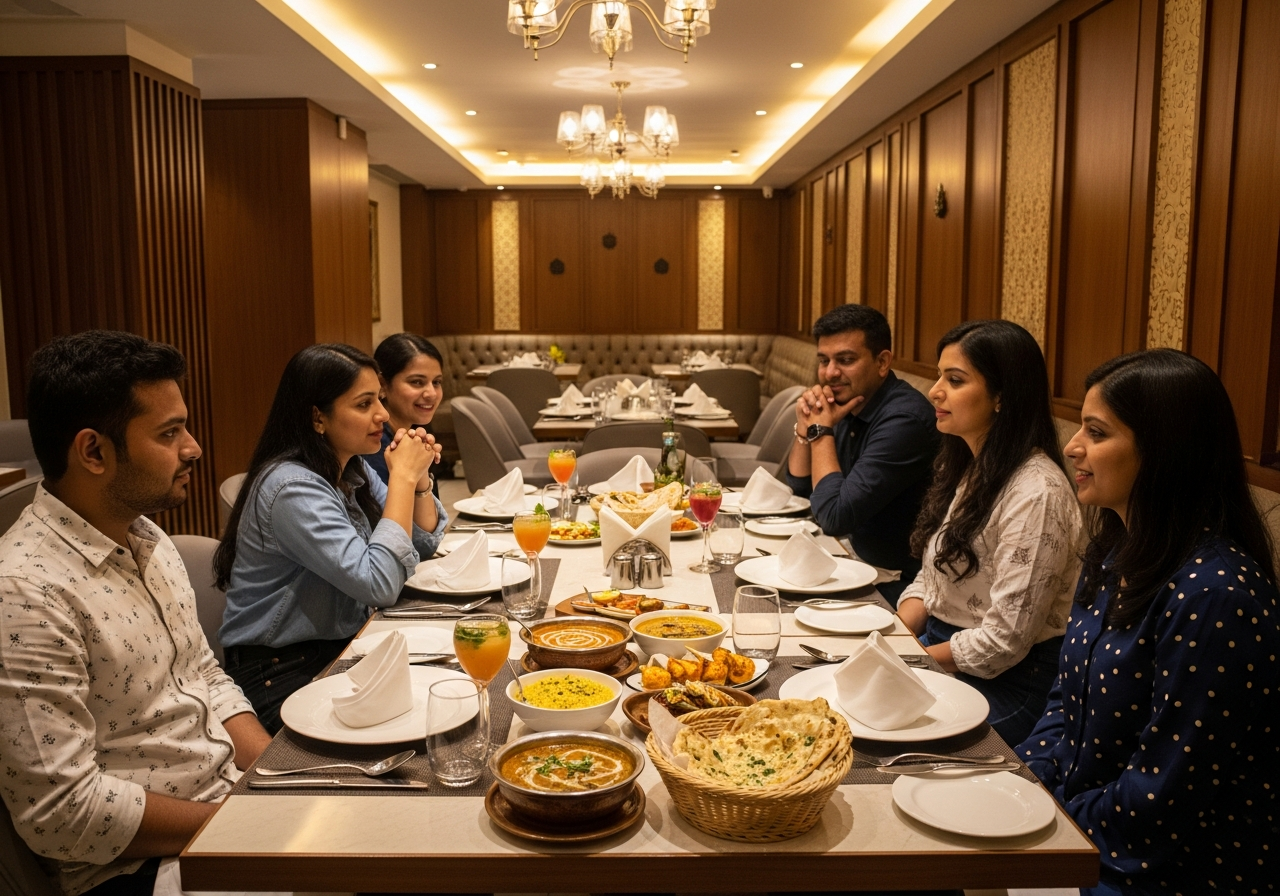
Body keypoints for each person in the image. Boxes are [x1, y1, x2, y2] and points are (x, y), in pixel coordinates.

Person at [0, 330, 272, 896]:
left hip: (228, 807)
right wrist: (243, 826)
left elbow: (203, 675)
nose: (193, 447)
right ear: (93, 452)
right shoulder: (25, 592)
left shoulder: (144, 536)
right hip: (140, 867)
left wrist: (274, 780)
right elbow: (64, 812)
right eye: (169, 433)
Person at [1017, 349, 1279, 896]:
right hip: (1083, 822)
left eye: (1097, 432)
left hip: (1165, 868)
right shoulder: (1114, 551)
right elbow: (1066, 698)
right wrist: (1022, 782)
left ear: (1164, 453)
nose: (1072, 446)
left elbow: (1161, 798)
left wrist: (1047, 817)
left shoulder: (1216, 595)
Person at [215, 343, 447, 733]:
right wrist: (402, 478)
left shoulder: (349, 466)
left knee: (445, 695)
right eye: (363, 404)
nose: (382, 415)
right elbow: (379, 583)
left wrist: (419, 482)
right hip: (282, 673)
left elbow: (423, 545)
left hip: (341, 648)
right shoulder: (292, 487)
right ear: (318, 417)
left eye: (379, 400)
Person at [896, 320, 1082, 746]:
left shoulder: (1037, 492)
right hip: (941, 649)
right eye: (939, 375)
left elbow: (1004, 642)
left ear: (1002, 397)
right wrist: (897, 635)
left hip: (1011, 683)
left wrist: (912, 661)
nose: (934, 391)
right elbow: (933, 572)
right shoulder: (972, 463)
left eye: (954, 380)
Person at [786, 304, 940, 605]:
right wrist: (806, 429)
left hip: (895, 587)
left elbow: (833, 517)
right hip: (848, 562)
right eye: (824, 360)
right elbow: (799, 491)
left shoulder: (904, 420)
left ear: (882, 362)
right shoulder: (848, 404)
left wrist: (821, 432)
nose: (830, 373)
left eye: (845, 360)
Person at [364, 333, 446, 498]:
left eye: (436, 382)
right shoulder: (374, 445)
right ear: (382, 385)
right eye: (417, 382)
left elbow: (432, 521)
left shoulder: (417, 435)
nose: (431, 393)